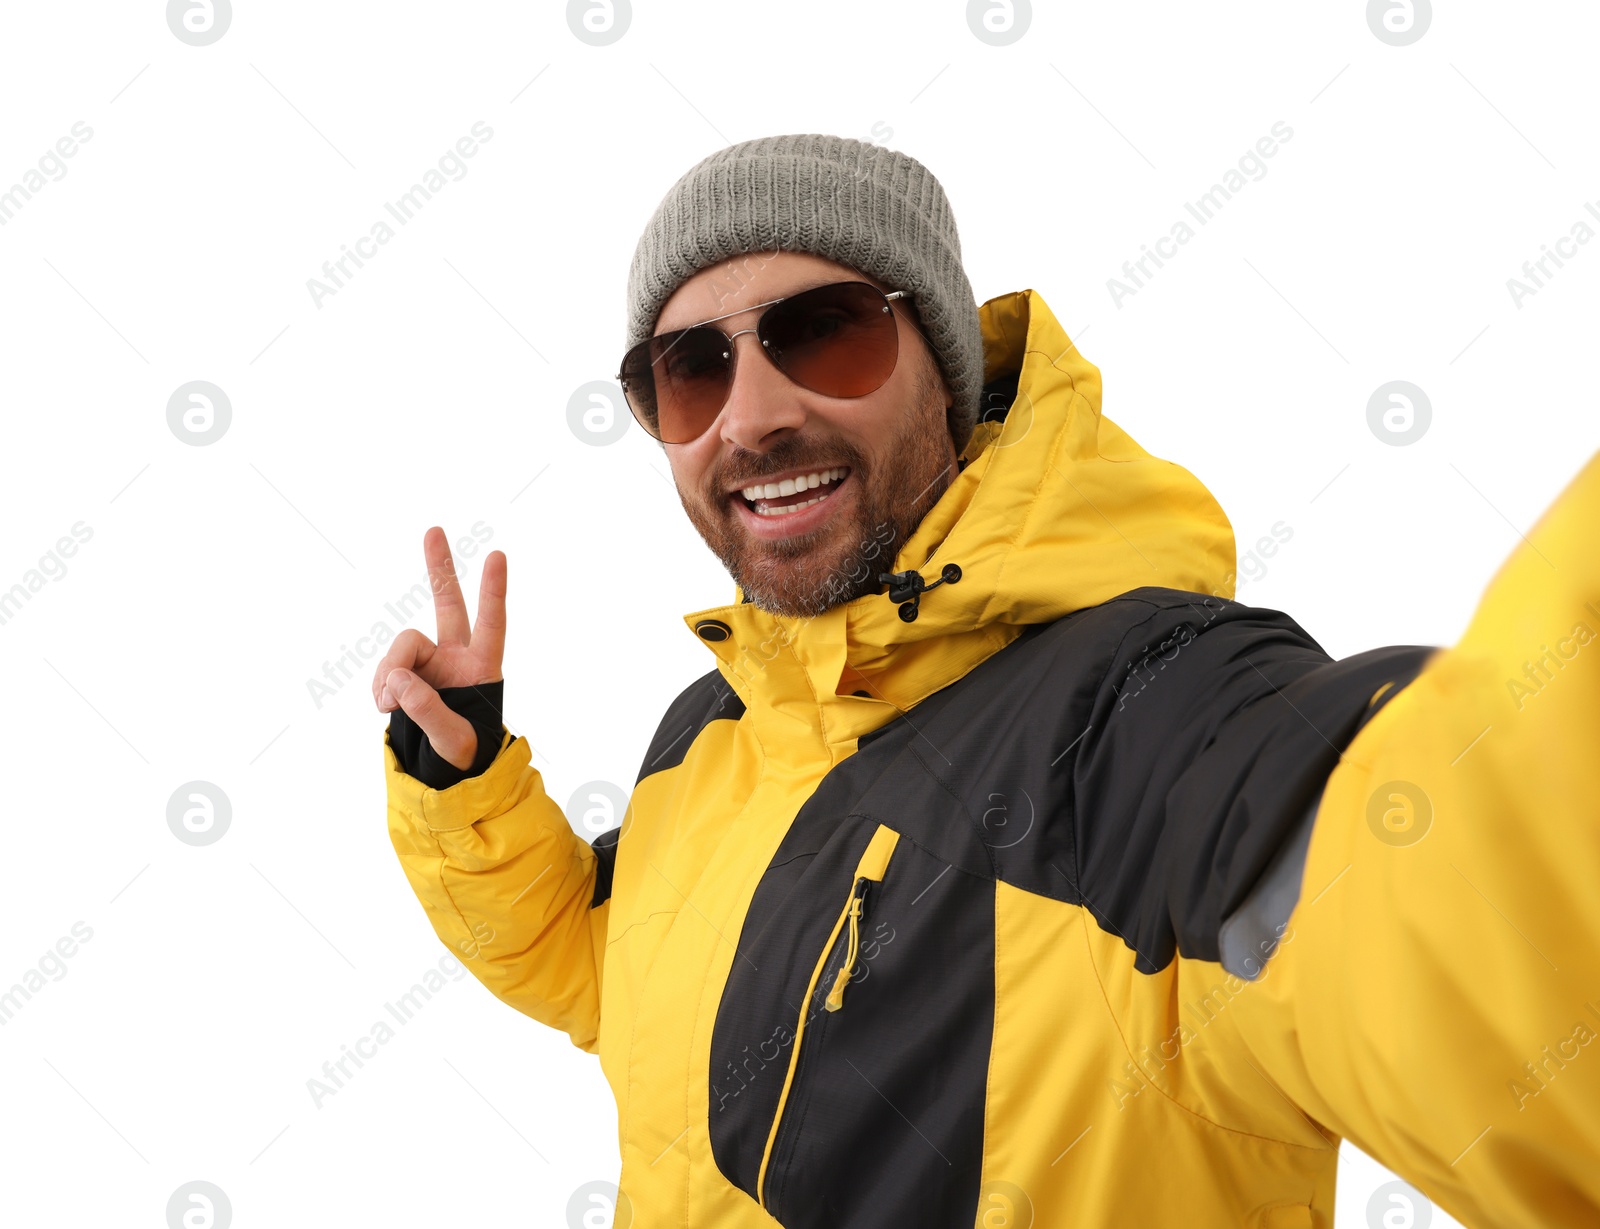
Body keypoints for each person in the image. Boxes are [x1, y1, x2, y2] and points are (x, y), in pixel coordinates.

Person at [373, 134, 1600, 1228]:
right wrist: (463, 779)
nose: (748, 417)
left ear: (946, 369)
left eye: (825, 333)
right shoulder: (716, 728)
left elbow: (1449, 901)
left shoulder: (1143, 709)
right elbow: (598, 960)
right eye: (688, 371)